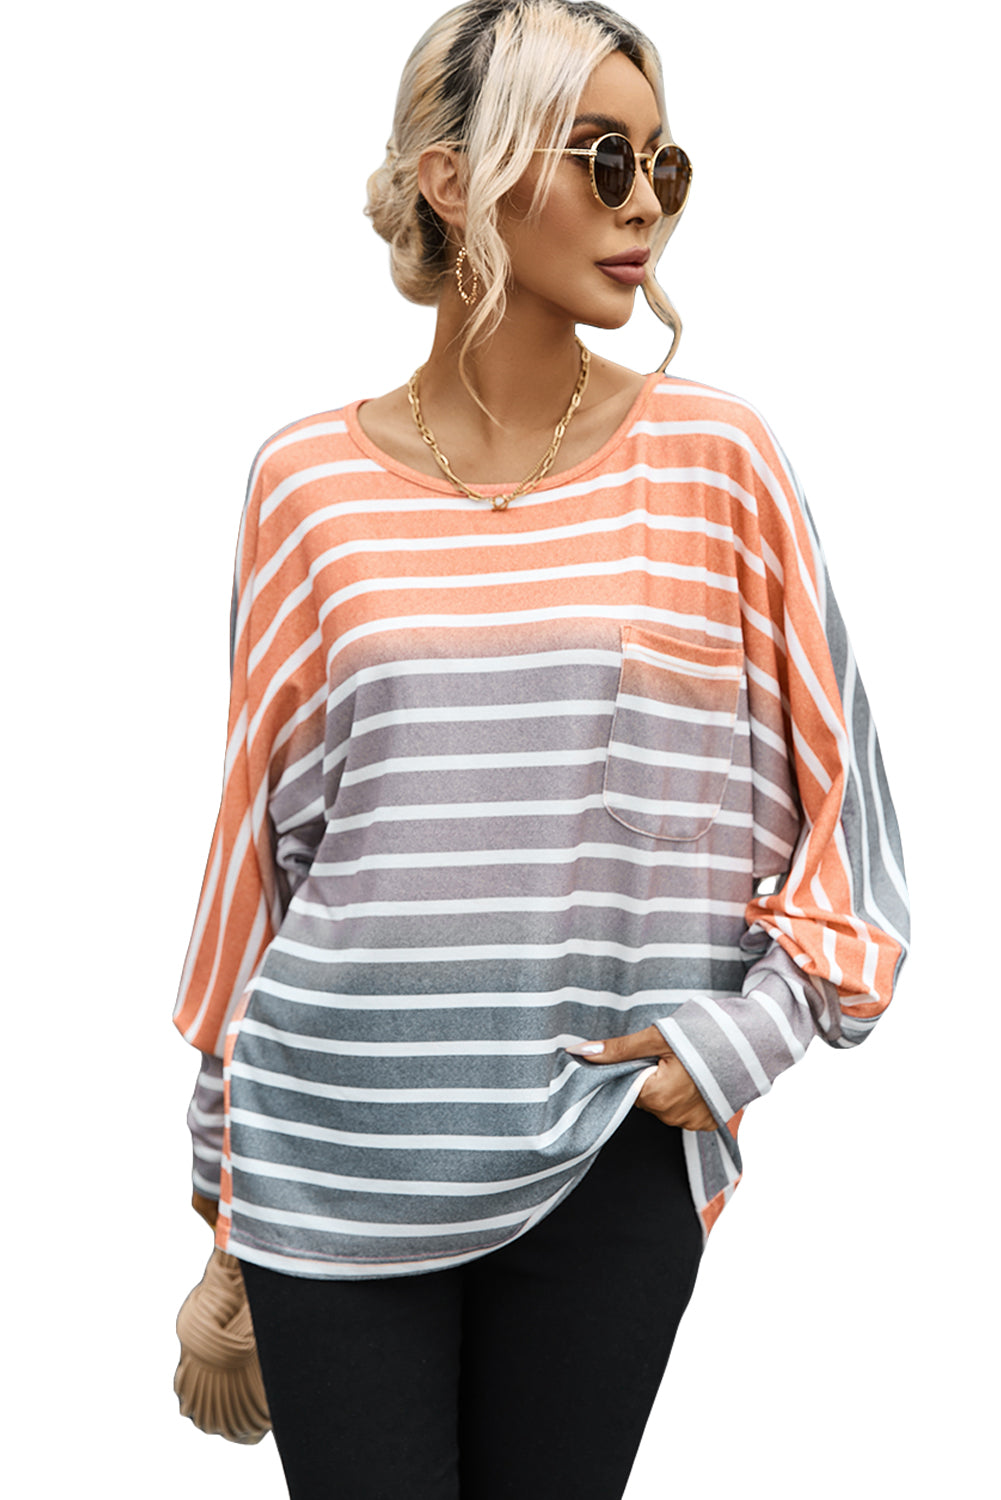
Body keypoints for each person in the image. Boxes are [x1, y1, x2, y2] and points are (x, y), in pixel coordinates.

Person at [173, 2, 909, 1495]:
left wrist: (745, 1037)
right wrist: (218, 1189)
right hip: (328, 1150)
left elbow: (849, 820)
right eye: (603, 157)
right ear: (454, 179)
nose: (646, 204)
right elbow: (264, 847)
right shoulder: (303, 484)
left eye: (664, 164)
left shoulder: (719, 464)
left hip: (601, 1146)